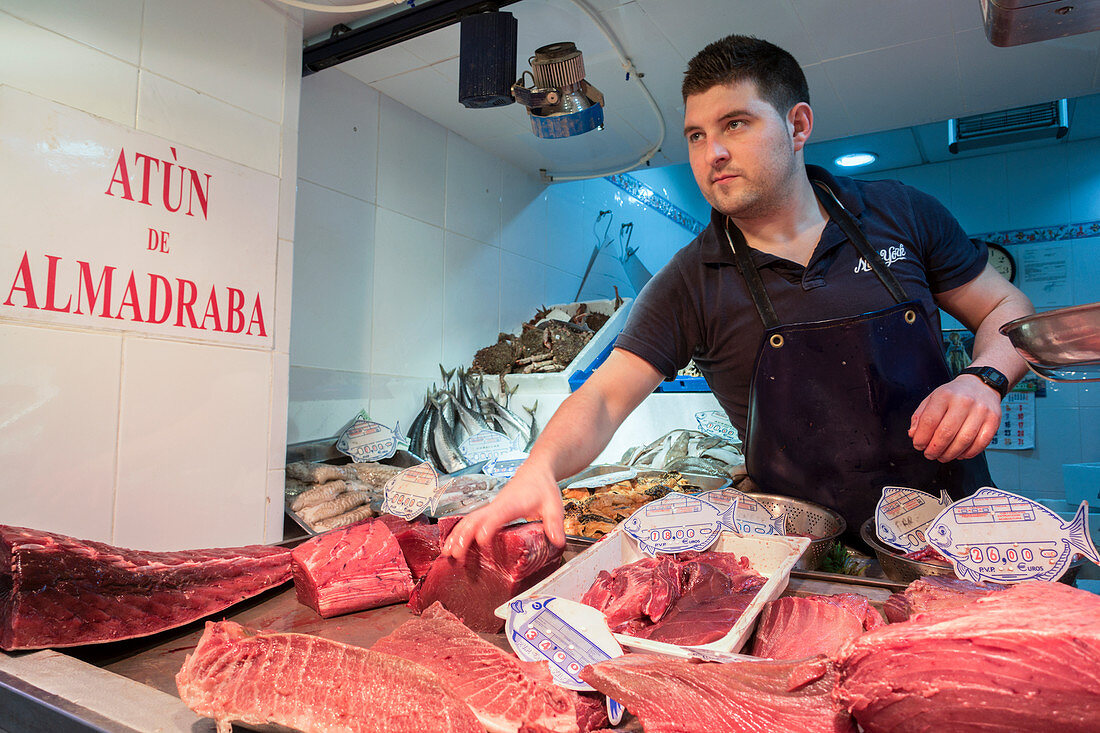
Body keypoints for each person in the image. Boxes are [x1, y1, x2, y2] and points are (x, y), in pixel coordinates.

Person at [443, 34, 1034, 559]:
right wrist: (538, 466)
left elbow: (1006, 309)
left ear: (798, 126)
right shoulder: (689, 280)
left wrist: (984, 378)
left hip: (952, 533)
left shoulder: (901, 213)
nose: (711, 153)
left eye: (735, 124)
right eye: (697, 135)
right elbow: (602, 396)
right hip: (799, 560)